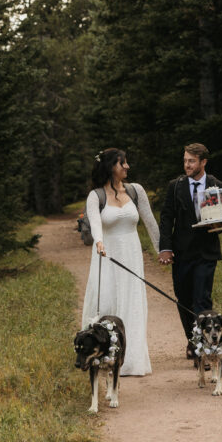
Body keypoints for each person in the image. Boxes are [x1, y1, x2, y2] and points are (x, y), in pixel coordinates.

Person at [81, 148, 160, 376]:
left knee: (132, 303)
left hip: (132, 255)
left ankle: (131, 360)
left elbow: (150, 223)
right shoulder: (96, 196)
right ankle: (100, 354)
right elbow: (95, 222)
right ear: (109, 168)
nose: (127, 167)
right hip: (106, 255)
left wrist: (162, 251)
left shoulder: (136, 191)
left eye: (126, 163)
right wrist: (99, 241)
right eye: (121, 163)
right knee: (106, 300)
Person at [158, 142, 222, 359]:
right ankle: (192, 341)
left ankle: (205, 348)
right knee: (184, 299)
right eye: (185, 161)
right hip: (181, 254)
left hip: (206, 253)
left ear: (203, 162)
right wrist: (165, 248)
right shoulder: (175, 186)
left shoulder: (216, 185)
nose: (187, 165)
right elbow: (166, 218)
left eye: (191, 161)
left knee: (202, 300)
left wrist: (218, 226)